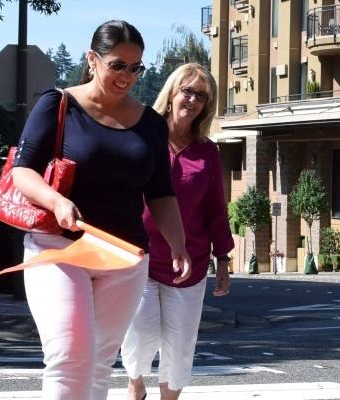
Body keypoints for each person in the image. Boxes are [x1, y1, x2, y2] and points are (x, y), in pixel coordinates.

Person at [11, 20, 192, 400]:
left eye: (135, 67)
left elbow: (161, 192)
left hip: (123, 256)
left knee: (99, 361)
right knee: (70, 353)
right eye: (117, 65)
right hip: (57, 247)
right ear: (92, 60)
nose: (126, 76)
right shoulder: (58, 104)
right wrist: (57, 201)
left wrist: (177, 244)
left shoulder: (151, 125)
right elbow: (22, 171)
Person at [119, 63, 232, 400]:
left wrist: (222, 260)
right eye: (188, 90)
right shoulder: (141, 136)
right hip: (138, 256)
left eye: (202, 96)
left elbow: (215, 209)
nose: (193, 99)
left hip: (190, 263)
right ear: (171, 93)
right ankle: (135, 383)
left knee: (180, 344)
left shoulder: (207, 151)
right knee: (140, 335)